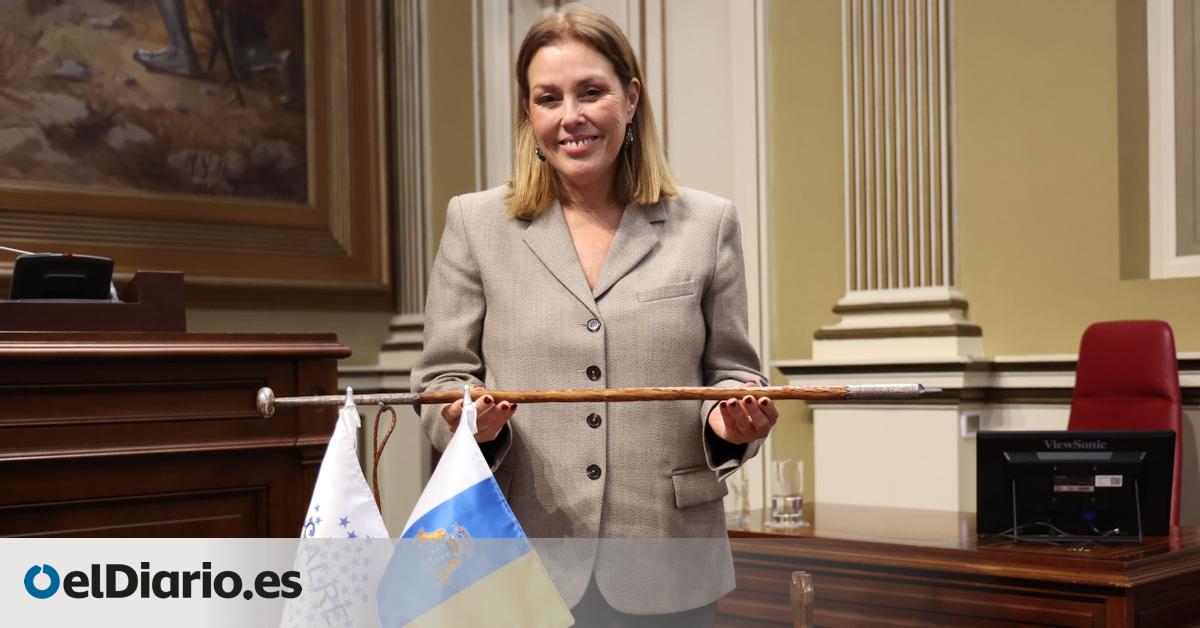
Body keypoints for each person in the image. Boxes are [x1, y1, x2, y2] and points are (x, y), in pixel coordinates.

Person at [412, 5, 778, 626]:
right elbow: (440, 382)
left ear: (631, 98)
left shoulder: (708, 223)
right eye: (548, 98)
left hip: (668, 561)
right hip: (517, 560)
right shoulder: (475, 223)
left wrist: (730, 422)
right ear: (529, 114)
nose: (570, 117)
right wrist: (469, 421)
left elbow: (734, 373)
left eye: (591, 92)